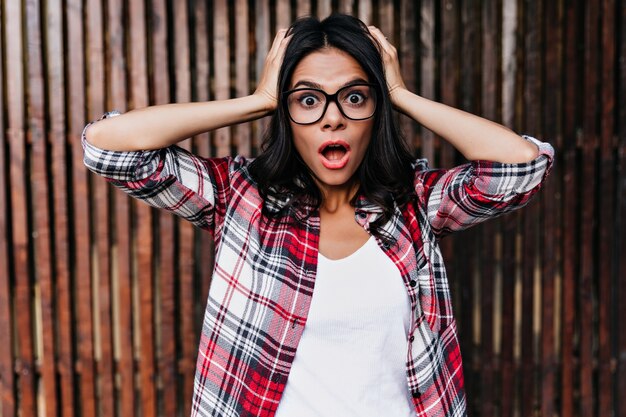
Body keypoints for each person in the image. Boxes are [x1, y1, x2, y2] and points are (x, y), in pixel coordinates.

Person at [82, 14, 553, 417]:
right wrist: (258, 101)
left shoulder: (416, 205)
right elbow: (107, 148)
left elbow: (521, 169)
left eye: (354, 97)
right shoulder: (241, 200)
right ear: (286, 116)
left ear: (375, 110)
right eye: (307, 100)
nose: (332, 118)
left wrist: (400, 94)